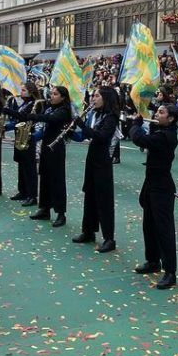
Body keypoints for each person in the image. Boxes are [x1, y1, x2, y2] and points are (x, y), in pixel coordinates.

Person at [130, 104, 178, 289]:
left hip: (162, 187)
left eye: (161, 112)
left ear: (172, 118)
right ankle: (153, 261)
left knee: (164, 229)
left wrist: (135, 124)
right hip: (151, 184)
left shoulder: (166, 136)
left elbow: (139, 139)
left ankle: (170, 272)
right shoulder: (162, 131)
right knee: (148, 224)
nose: (157, 114)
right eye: (157, 111)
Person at [14, 85, 72, 226]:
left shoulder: (64, 110)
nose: (52, 96)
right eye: (51, 93)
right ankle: (44, 209)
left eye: (55, 94)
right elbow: (44, 126)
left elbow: (50, 119)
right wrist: (32, 137)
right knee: (44, 178)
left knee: (57, 180)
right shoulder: (50, 107)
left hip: (56, 149)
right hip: (46, 146)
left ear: (63, 97)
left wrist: (32, 116)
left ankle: (60, 214)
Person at [72, 87, 119, 252]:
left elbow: (101, 137)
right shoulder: (95, 114)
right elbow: (84, 136)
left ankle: (109, 238)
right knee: (90, 196)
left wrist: (82, 125)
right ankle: (88, 231)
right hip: (92, 160)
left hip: (103, 162)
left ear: (106, 98)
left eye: (97, 96)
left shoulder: (111, 117)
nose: (93, 99)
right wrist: (70, 131)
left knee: (104, 200)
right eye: (93, 96)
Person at [10, 82, 41, 206]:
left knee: (29, 168)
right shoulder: (24, 103)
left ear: (30, 91)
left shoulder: (35, 104)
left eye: (23, 90)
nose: (21, 92)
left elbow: (23, 117)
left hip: (28, 137)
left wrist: (9, 111)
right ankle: (22, 191)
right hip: (20, 136)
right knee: (21, 166)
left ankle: (32, 195)